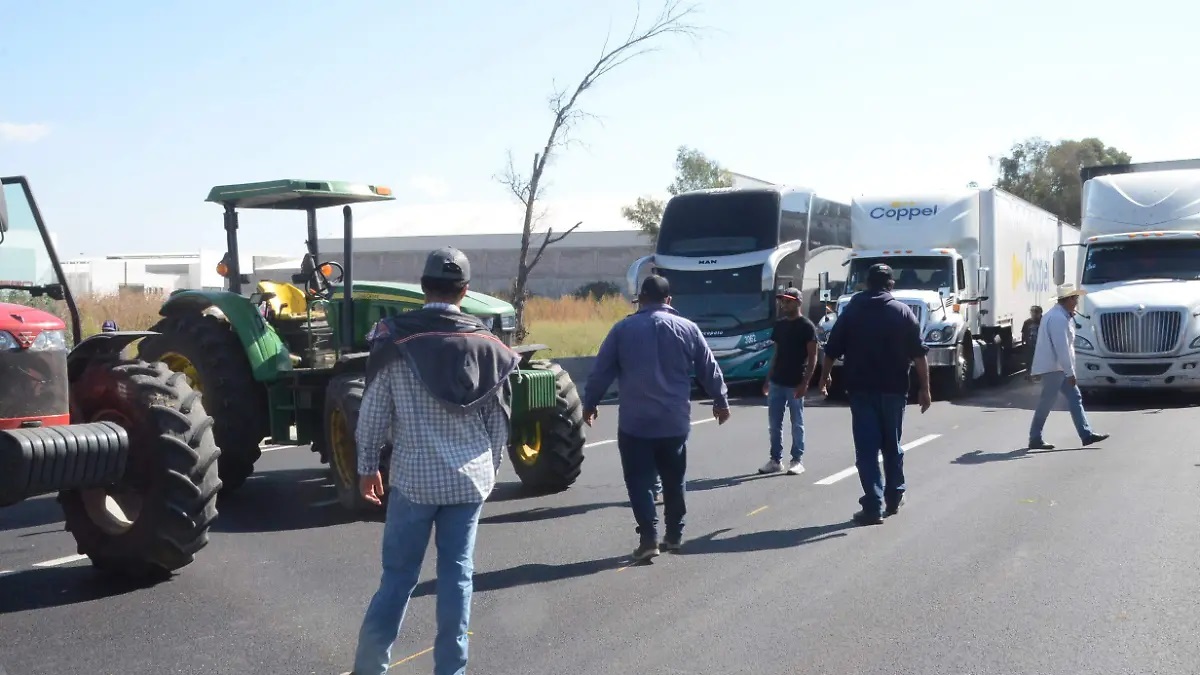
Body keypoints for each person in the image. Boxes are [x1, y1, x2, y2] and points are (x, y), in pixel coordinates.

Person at [348, 247, 520, 675]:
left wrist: (368, 466)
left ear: (423, 288)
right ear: (464, 291)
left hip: (414, 482)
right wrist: (488, 472)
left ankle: (370, 668)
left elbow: (372, 413)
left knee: (398, 579)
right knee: (457, 579)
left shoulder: (394, 339)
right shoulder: (488, 346)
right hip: (468, 485)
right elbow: (499, 422)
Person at [582, 274, 730, 560]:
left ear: (641, 299)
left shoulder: (622, 329)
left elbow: (601, 371)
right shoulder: (688, 328)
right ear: (669, 300)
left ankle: (649, 537)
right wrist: (721, 401)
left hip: (635, 424)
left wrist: (590, 404)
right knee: (674, 479)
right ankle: (674, 535)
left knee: (639, 480)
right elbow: (708, 367)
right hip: (674, 422)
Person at [818, 263, 931, 526]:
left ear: (867, 283)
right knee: (892, 445)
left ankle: (873, 505)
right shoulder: (903, 313)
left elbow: (831, 350)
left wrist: (824, 379)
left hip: (861, 390)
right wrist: (925, 389)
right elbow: (919, 355)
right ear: (890, 284)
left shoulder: (852, 311)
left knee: (867, 449)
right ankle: (894, 497)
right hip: (893, 390)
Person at [1027, 283, 1109, 450]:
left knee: (1073, 398)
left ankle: (1086, 434)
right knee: (1047, 402)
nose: (1077, 301)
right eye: (1075, 298)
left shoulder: (1060, 315)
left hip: (1057, 367)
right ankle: (1035, 437)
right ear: (1069, 299)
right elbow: (1062, 347)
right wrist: (1070, 372)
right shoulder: (1058, 318)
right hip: (1055, 368)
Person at [758, 287, 818, 475]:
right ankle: (775, 459)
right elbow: (776, 354)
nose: (784, 304)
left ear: (798, 302)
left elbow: (813, 357)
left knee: (796, 423)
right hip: (777, 381)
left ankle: (797, 460)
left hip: (795, 382)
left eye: (788, 301)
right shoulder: (780, 325)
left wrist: (805, 383)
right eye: (783, 301)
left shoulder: (807, 326)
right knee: (774, 424)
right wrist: (768, 379)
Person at [1021, 305, 1043, 382]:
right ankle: (1029, 374)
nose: (1033, 314)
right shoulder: (1027, 322)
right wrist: (1024, 342)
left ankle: (1038, 375)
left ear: (1040, 313)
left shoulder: (1044, 322)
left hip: (1041, 346)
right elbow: (1024, 333)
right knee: (1029, 361)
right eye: (1032, 312)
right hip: (1030, 345)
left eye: (1036, 312)